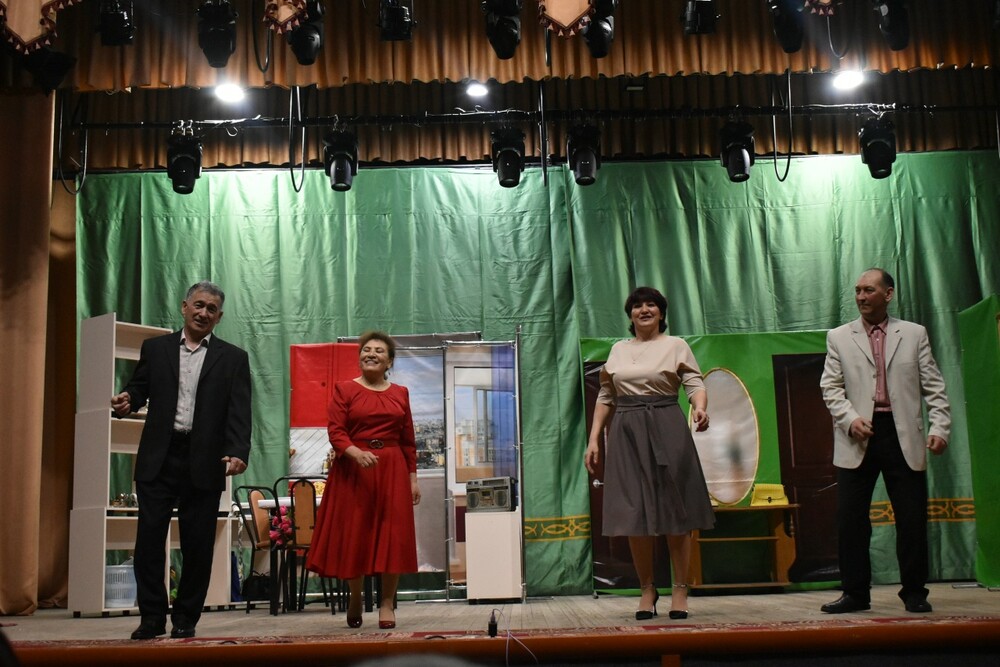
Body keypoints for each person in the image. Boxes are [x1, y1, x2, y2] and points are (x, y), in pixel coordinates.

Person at [110, 281, 251, 640]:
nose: (203, 313)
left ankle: (186, 618)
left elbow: (239, 410)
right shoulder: (155, 349)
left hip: (204, 459)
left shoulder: (233, 358)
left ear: (219, 317)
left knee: (198, 545)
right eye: (198, 305)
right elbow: (140, 387)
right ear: (184, 307)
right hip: (159, 456)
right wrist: (129, 399)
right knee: (148, 543)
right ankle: (152, 618)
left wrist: (238, 450)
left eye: (211, 309)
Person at [819, 268, 950, 614]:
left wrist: (940, 428)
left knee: (911, 519)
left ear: (888, 294)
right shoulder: (839, 337)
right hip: (858, 433)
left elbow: (934, 386)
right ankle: (855, 594)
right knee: (850, 520)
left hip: (901, 433)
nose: (861, 297)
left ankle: (914, 592)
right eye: (858, 291)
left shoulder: (914, 334)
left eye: (869, 290)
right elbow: (830, 387)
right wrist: (850, 419)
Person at [584, 286, 714, 620]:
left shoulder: (676, 345)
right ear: (630, 314)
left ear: (661, 312)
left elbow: (695, 383)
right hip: (626, 430)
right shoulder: (618, 350)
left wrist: (700, 408)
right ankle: (647, 589)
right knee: (634, 512)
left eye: (651, 305)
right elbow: (606, 396)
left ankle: (680, 589)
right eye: (638, 305)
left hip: (667, 423)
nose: (644, 310)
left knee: (676, 509)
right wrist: (594, 438)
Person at [306, 330, 421, 630]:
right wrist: (355, 453)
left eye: (379, 351)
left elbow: (408, 440)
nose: (371, 354)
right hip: (353, 470)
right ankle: (355, 596)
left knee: (392, 536)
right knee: (355, 534)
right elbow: (336, 431)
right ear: (359, 358)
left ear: (389, 361)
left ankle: (387, 603)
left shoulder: (401, 393)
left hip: (392, 470)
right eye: (366, 350)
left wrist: (413, 478)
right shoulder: (344, 390)